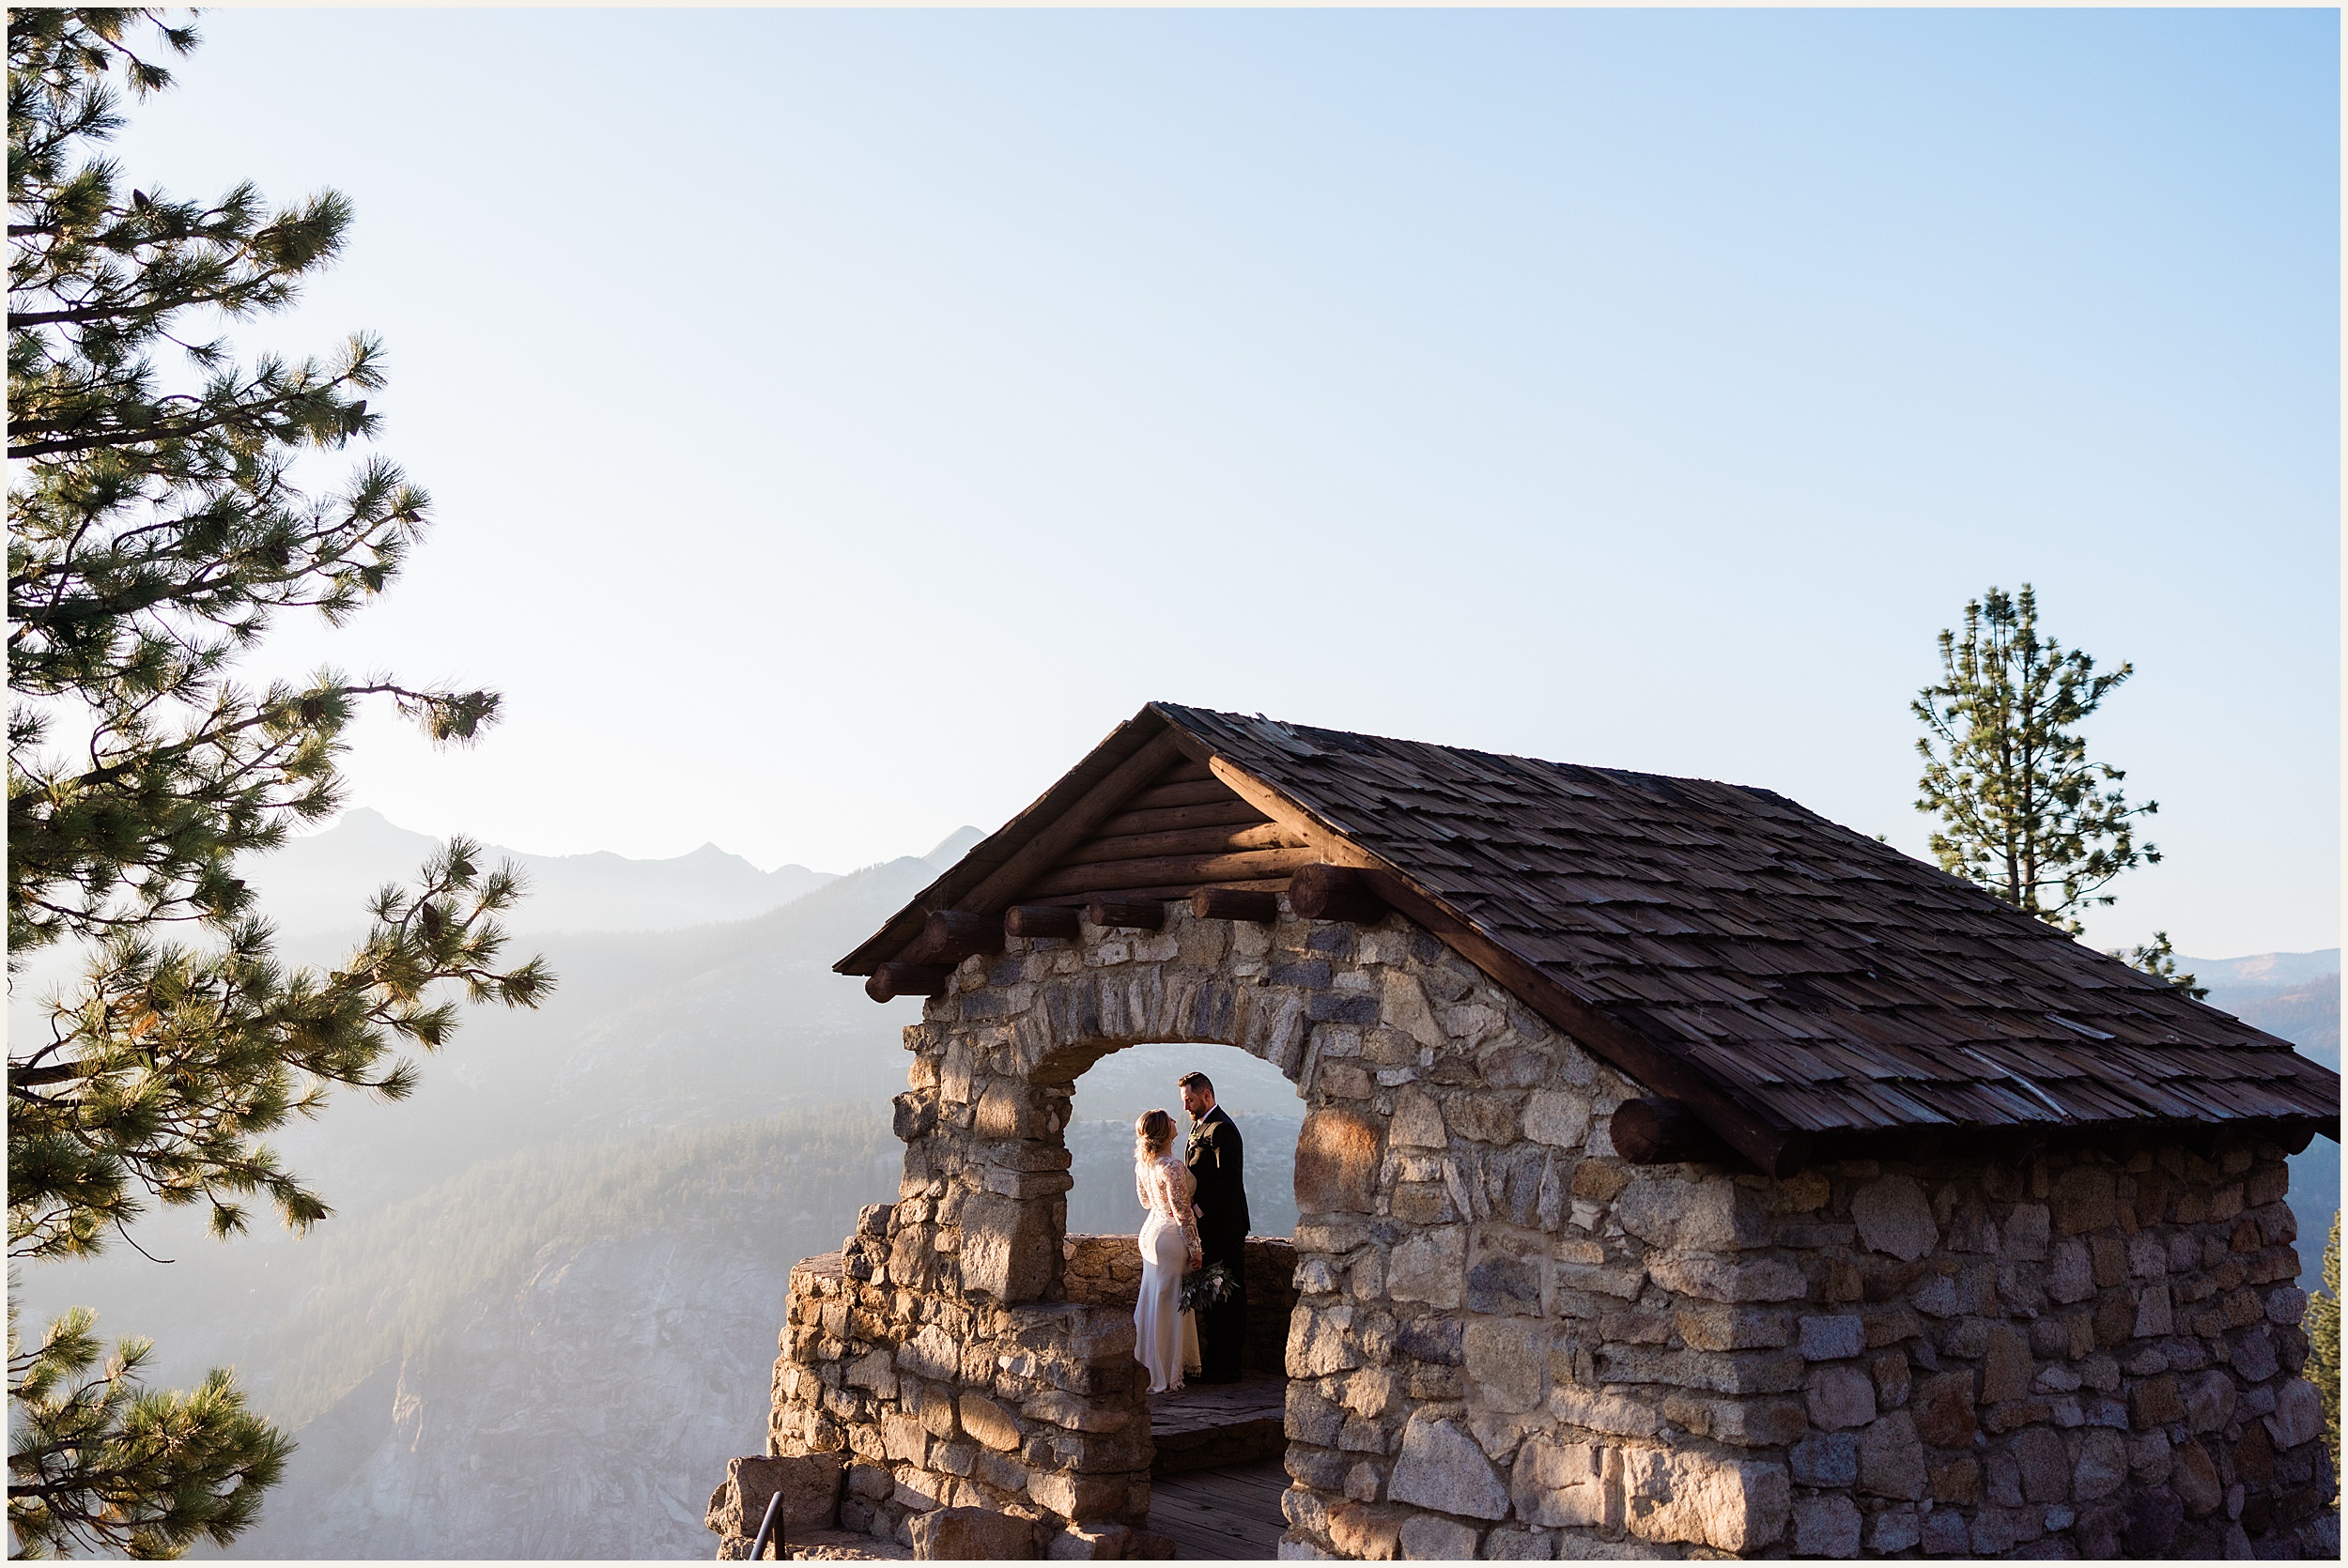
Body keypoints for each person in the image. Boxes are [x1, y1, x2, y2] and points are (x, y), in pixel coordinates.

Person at [1180, 1070, 1251, 1383]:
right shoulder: (1199, 1126)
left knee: (1229, 1297)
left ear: (1206, 1096)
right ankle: (1215, 1362)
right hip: (1209, 1230)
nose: (1186, 1107)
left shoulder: (1222, 1130)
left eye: (1189, 1100)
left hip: (1225, 1228)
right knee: (1212, 1296)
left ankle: (1229, 1366)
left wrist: (1198, 1209)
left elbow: (1228, 1182)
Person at [1131, 1107, 1201, 1395]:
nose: (1176, 1121)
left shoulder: (1144, 1164)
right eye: (1171, 1120)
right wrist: (1196, 1249)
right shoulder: (1170, 1165)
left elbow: (1146, 1201)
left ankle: (1146, 1364)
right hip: (1169, 1236)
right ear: (1164, 1131)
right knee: (1169, 1301)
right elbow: (1182, 1213)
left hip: (1149, 1233)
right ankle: (1163, 1371)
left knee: (1152, 1299)